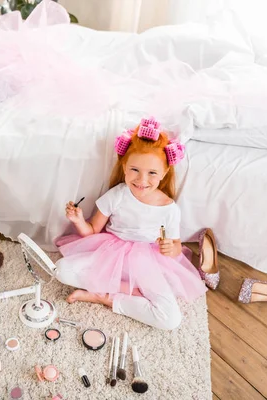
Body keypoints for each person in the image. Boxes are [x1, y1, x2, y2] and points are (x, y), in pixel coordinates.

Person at [55, 117, 207, 329]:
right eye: (135, 170)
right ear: (125, 167)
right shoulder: (117, 195)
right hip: (110, 254)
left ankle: (104, 297)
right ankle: (131, 290)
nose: (142, 180)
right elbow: (92, 231)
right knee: (61, 271)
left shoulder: (169, 209)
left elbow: (175, 248)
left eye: (152, 173)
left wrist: (169, 248)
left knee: (170, 319)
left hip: (147, 262)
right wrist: (78, 220)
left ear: (164, 174)